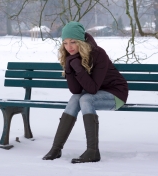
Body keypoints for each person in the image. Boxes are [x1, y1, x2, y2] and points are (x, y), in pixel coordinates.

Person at [42, 21, 128, 163]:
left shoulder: (98, 53)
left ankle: (93, 151)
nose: (68, 47)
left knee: (86, 98)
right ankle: (56, 148)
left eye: (73, 42)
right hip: (96, 94)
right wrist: (70, 69)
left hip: (116, 94)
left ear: (81, 42)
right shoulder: (71, 56)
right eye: (65, 43)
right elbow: (75, 90)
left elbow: (92, 89)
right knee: (76, 98)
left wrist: (78, 68)